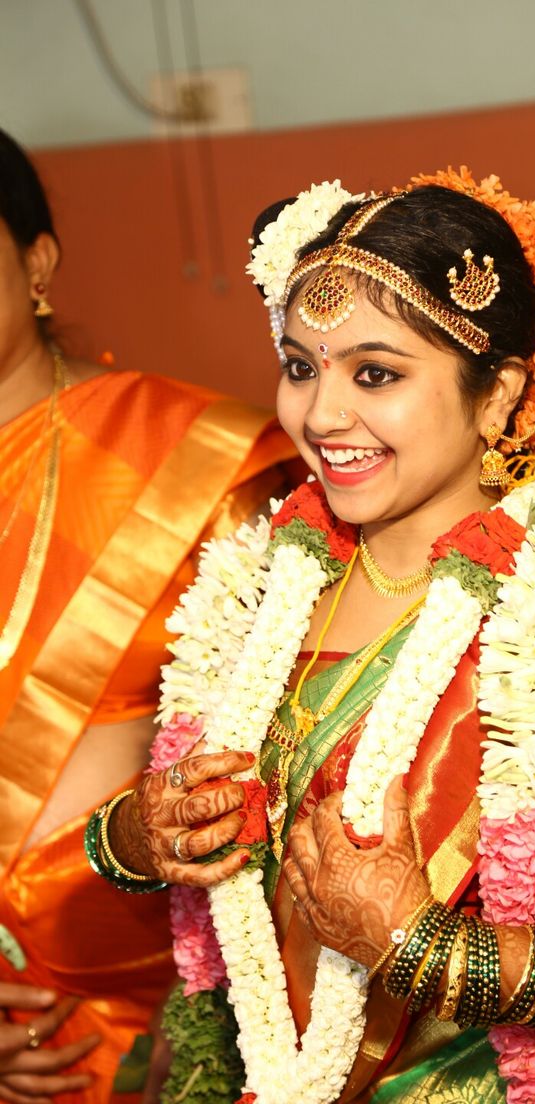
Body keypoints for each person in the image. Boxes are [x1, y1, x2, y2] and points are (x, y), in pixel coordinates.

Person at [100, 169, 535, 1104]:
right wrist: (135, 834)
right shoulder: (251, 607)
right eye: (301, 366)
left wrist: (426, 947)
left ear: (497, 396)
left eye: (376, 373)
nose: (321, 415)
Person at [0, 127, 301, 1104]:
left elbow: (296, 750)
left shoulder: (194, 462)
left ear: (36, 260)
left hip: (165, 996)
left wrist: (217, 1009)